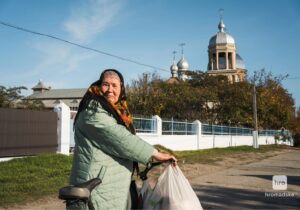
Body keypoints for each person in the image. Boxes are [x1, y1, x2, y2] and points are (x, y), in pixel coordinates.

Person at [69, 69, 177, 210]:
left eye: (115, 86)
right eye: (106, 85)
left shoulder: (114, 111)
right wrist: (155, 154)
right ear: (99, 86)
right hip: (97, 186)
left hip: (107, 184)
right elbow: (120, 138)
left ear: (121, 89)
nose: (110, 90)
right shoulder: (93, 111)